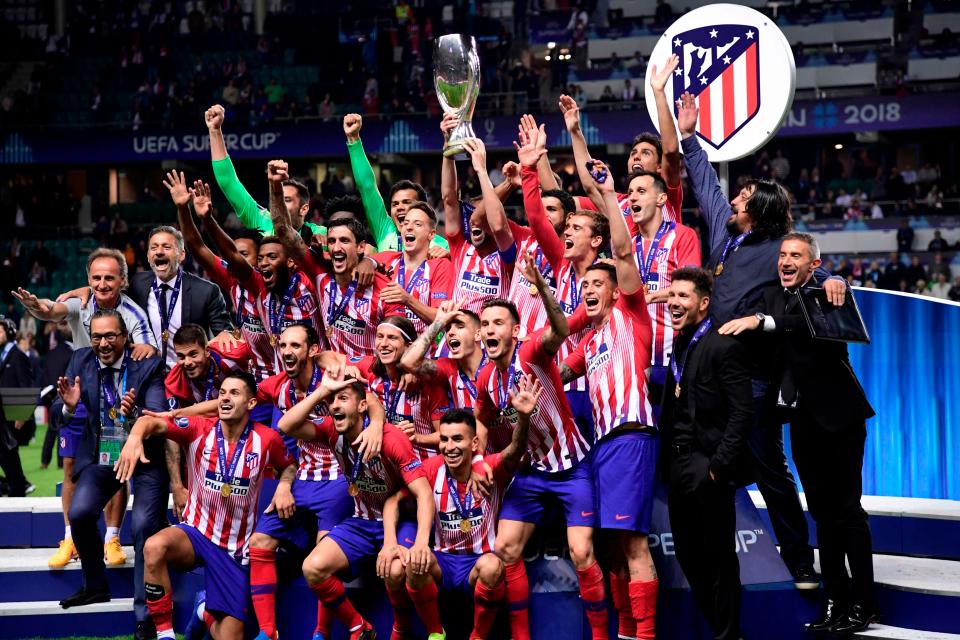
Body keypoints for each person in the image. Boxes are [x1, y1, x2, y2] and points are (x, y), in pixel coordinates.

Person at [676, 90, 848, 587]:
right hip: (709, 373)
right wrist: (689, 137)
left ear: (762, 208)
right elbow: (707, 187)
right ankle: (714, 560)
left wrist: (835, 281)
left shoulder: (780, 249)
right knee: (709, 466)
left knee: (771, 470)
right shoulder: (725, 238)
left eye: (743, 198)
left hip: (753, 381)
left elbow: (811, 273)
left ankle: (798, 560)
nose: (732, 201)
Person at [719, 233, 878, 634]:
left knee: (847, 511)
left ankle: (864, 603)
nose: (786, 261)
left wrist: (831, 278)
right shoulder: (772, 297)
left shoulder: (828, 292)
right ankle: (835, 602)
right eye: (783, 255)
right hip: (802, 421)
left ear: (811, 265)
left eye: (796, 256)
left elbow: (805, 326)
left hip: (840, 417)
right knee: (822, 515)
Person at [115, 371, 297, 640]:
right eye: (222, 392)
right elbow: (150, 423)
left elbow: (289, 465)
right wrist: (134, 438)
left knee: (230, 636)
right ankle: (165, 634)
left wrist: (283, 486)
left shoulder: (267, 439)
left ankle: (203, 611)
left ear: (250, 403)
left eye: (234, 393)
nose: (225, 398)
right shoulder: (199, 429)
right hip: (196, 533)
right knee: (154, 546)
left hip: (235, 550)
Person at [560, 158, 659, 639]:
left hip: (630, 437)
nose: (590, 289)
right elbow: (554, 369)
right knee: (615, 547)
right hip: (600, 446)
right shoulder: (588, 342)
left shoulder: (631, 317)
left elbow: (622, 251)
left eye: (599, 284)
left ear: (617, 292)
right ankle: (624, 633)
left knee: (633, 545)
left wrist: (607, 193)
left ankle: (645, 635)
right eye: (585, 286)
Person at [473, 280, 602, 640]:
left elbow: (561, 329)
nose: (489, 331)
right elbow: (481, 420)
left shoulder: (531, 351)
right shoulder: (487, 377)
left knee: (581, 552)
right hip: (532, 473)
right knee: (505, 547)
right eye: (484, 325)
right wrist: (481, 460)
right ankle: (520, 636)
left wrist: (544, 290)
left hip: (572, 467)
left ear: (515, 331)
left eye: (497, 323)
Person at [13, 249, 156, 571]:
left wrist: (141, 350)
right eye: (96, 278)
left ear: (122, 280)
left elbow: (149, 347)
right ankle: (70, 538)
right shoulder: (82, 303)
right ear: (88, 280)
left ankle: (112, 538)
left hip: (114, 402)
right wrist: (40, 308)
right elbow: (54, 310)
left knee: (116, 469)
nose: (102, 284)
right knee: (69, 468)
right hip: (78, 396)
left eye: (109, 277)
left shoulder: (133, 313)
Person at [246, 323, 383, 640]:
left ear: (311, 350)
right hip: (301, 479)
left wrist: (376, 424)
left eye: (295, 346)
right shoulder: (277, 387)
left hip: (338, 478)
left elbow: (372, 396)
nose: (287, 352)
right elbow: (237, 401)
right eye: (282, 346)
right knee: (259, 543)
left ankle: (322, 631)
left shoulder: (337, 374)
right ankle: (268, 632)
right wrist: (283, 483)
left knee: (323, 554)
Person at [278, 373, 435, 640]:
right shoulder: (331, 431)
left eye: (343, 398)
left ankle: (401, 627)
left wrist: (421, 542)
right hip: (361, 521)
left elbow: (424, 493)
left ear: (363, 406)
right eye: (332, 401)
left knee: (395, 571)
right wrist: (322, 390)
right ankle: (358, 626)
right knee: (312, 567)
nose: (335, 405)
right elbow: (286, 424)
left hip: (400, 521)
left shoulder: (391, 439)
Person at [382, 379, 541, 640]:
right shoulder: (432, 468)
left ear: (474, 442)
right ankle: (436, 633)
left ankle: (477, 635)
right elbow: (391, 501)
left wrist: (523, 419)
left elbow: (515, 451)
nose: (449, 446)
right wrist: (390, 542)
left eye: (458, 439)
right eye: (444, 440)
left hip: (477, 563)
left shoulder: (489, 468)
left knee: (492, 566)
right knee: (413, 562)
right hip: (443, 563)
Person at [52, 309, 169, 640]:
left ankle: (145, 615)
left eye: (110, 336)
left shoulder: (147, 365)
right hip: (104, 455)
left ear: (124, 337)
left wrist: (132, 415)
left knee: (145, 525)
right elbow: (60, 419)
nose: (103, 343)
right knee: (80, 513)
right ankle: (95, 585)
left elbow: (159, 416)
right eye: (97, 337)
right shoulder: (80, 361)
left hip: (145, 457)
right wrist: (70, 407)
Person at [660, 267, 755, 640]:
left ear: (703, 303)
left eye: (682, 297)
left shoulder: (723, 344)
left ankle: (729, 634)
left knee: (719, 557)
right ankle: (722, 628)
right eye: (671, 296)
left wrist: (719, 466)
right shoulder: (679, 345)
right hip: (679, 464)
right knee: (687, 554)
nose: (674, 303)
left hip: (707, 464)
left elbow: (743, 412)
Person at [509, 125, 610, 442]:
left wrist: (534, 340)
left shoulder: (608, 277)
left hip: (588, 384)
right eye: (566, 227)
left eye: (576, 227)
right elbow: (537, 219)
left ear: (595, 240)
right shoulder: (560, 265)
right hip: (553, 383)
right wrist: (529, 169)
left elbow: (577, 321)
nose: (566, 232)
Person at [268, 159, 400, 359]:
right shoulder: (321, 274)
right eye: (332, 241)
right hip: (333, 378)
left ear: (361, 246)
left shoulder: (383, 288)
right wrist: (276, 187)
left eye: (344, 241)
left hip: (372, 380)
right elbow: (283, 231)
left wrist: (371, 261)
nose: (336, 247)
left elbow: (395, 348)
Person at [559, 55, 684, 226]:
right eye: (633, 153)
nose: (636, 157)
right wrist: (575, 131)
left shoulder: (666, 194)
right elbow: (589, 186)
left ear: (659, 167)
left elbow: (670, 151)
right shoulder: (617, 202)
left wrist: (659, 92)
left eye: (645, 153)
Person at [206, 103, 324, 238]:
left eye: (286, 199)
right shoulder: (260, 220)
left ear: (303, 209)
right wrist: (215, 130)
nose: (278, 203)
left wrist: (354, 141)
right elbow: (229, 181)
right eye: (276, 198)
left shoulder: (321, 236)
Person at [440, 118, 519, 315]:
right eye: (470, 214)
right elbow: (449, 198)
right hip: (458, 335)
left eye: (479, 214)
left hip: (490, 339)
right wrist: (448, 147)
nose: (473, 220)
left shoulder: (507, 255)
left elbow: (488, 217)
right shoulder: (459, 247)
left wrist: (510, 183)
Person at [343, 113, 449, 254]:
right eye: (395, 204)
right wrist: (354, 138)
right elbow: (367, 187)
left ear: (423, 208)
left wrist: (448, 257)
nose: (399, 207)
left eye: (407, 202)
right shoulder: (385, 230)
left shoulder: (441, 245)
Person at [353, 316, 448, 461]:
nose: (383, 344)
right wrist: (346, 368)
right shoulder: (370, 370)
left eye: (392, 338)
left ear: (409, 346)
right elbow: (326, 358)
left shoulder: (426, 384)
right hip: (389, 469)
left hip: (423, 467)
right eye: (380, 336)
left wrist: (417, 437)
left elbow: (446, 435)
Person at [372, 200, 454, 335]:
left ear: (431, 234)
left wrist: (407, 300)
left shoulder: (440, 266)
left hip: (425, 352)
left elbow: (441, 318)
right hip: (387, 348)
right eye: (405, 223)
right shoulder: (385, 259)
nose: (409, 227)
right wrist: (367, 262)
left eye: (417, 224)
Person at [400, 301, 486, 411]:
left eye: (460, 327)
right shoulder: (448, 368)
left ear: (478, 335)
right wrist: (438, 322)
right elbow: (407, 361)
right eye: (448, 328)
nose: (450, 333)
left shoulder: (496, 363)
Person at [0, 315, 32, 498]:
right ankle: (15, 487)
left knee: (9, 456)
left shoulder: (18, 356)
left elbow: (26, 384)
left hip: (13, 417)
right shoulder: (3, 354)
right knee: (7, 456)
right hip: (2, 418)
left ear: (10, 332)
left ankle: (18, 489)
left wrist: (22, 414)